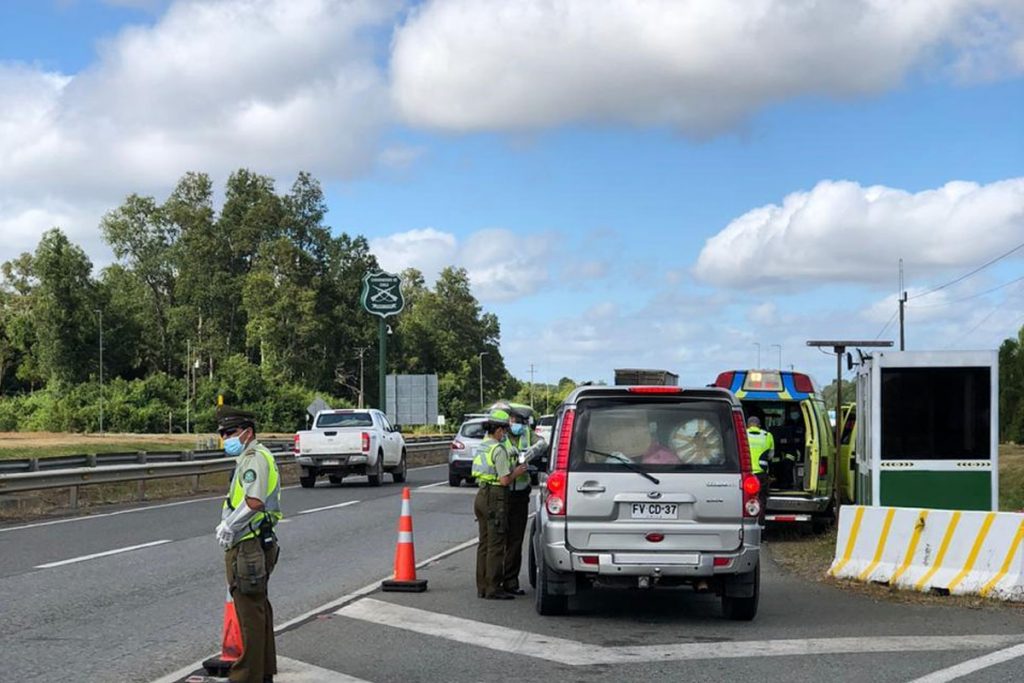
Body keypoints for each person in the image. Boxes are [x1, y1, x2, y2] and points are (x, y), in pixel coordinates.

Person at [214, 406, 283, 683]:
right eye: (222, 434)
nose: (225, 438)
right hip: (255, 541)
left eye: (230, 432)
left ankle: (247, 676)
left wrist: (230, 525)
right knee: (257, 608)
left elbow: (254, 501)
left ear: (247, 432)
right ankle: (263, 671)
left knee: (249, 614)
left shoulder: (254, 458)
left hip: (248, 544)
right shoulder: (254, 456)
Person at [472, 408, 528, 600]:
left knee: (484, 544)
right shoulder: (498, 449)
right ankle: (494, 587)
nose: (505, 434)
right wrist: (518, 472)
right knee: (496, 544)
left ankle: (482, 586)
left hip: (481, 494)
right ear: (497, 429)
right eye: (504, 430)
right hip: (496, 496)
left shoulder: (483, 445)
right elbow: (505, 480)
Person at [502, 404, 547, 595]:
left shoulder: (526, 434)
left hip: (520, 493)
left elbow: (543, 443)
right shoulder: (501, 435)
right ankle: (495, 581)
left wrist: (531, 451)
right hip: (503, 492)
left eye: (519, 422)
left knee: (515, 540)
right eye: (512, 421)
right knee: (498, 541)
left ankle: (510, 581)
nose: (515, 424)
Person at [746, 416, 773, 517]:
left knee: (744, 497)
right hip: (761, 472)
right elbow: (771, 455)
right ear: (759, 425)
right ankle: (761, 522)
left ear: (748, 425)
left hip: (745, 473)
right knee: (761, 497)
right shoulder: (767, 435)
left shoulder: (743, 434)